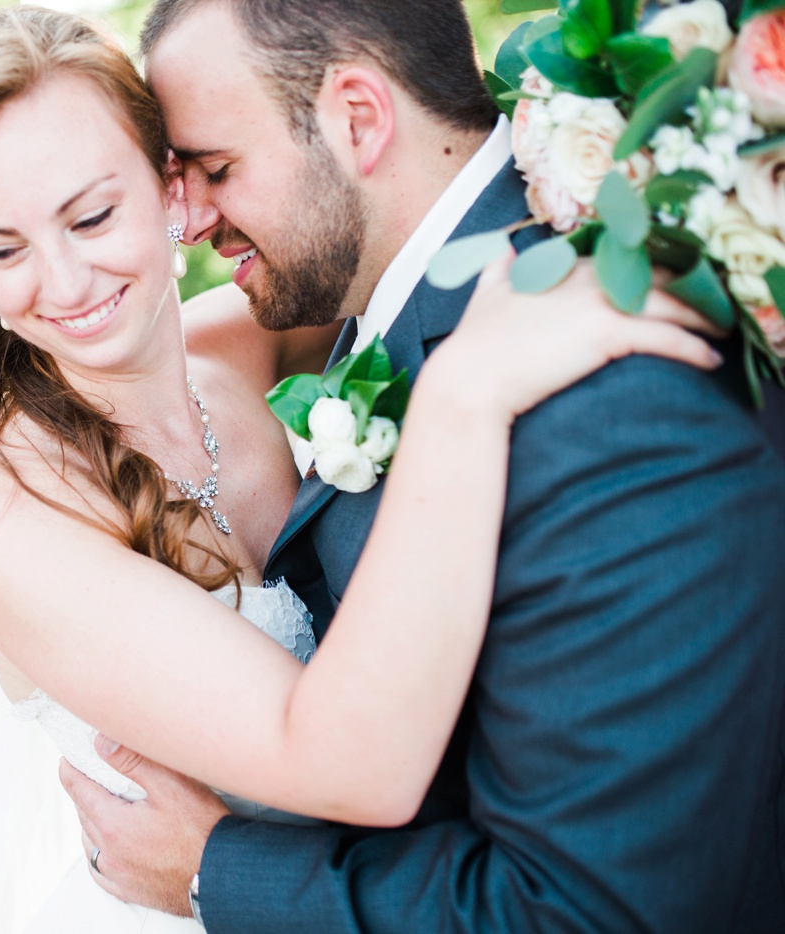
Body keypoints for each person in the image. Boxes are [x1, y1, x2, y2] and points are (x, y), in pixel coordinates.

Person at [52, 0, 785, 930]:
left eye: (216, 168)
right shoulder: (410, 293)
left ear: (358, 118)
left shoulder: (612, 405)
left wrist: (213, 874)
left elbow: (585, 910)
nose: (186, 221)